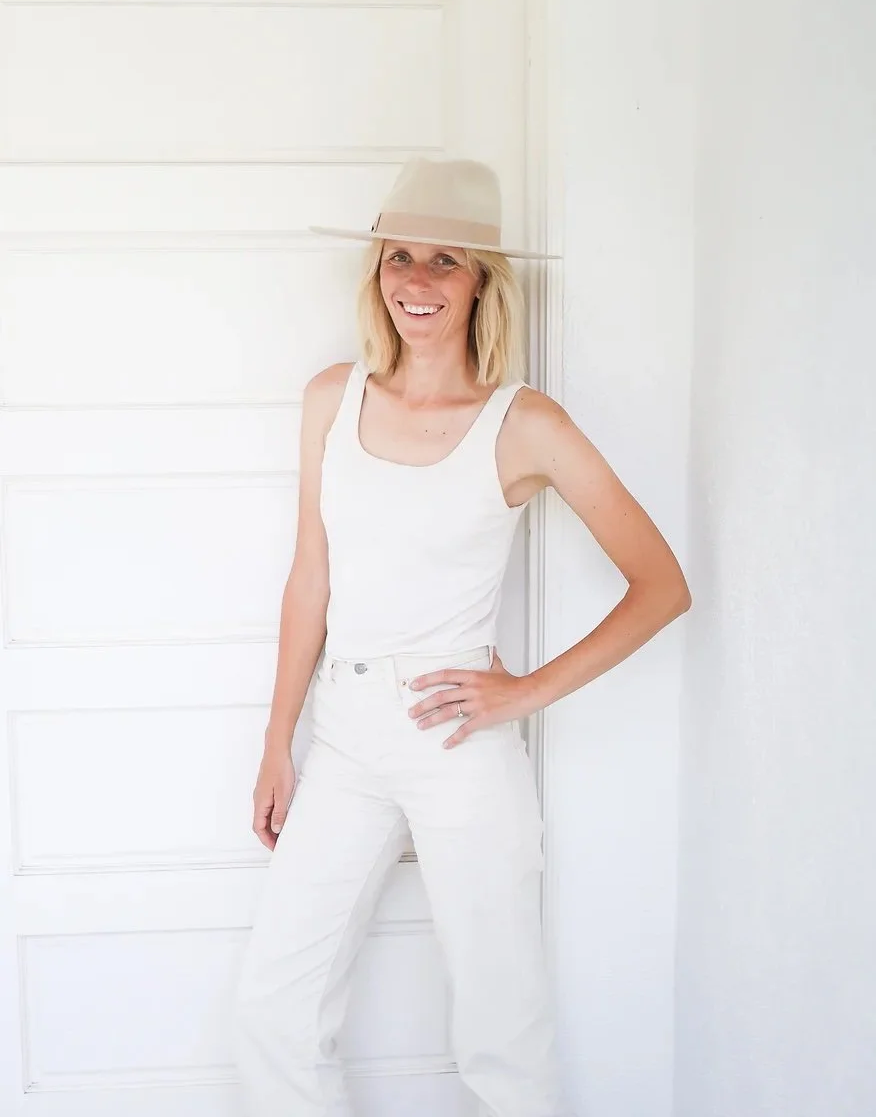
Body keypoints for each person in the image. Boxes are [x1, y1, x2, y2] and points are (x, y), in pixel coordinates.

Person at [231, 157, 691, 1117]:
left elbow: (662, 586)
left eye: (445, 260)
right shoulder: (332, 398)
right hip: (344, 734)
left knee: (499, 1024)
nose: (417, 280)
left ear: (482, 280)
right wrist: (278, 741)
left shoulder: (522, 424)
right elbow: (311, 577)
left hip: (456, 740)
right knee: (276, 1005)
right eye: (399, 257)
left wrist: (523, 692)